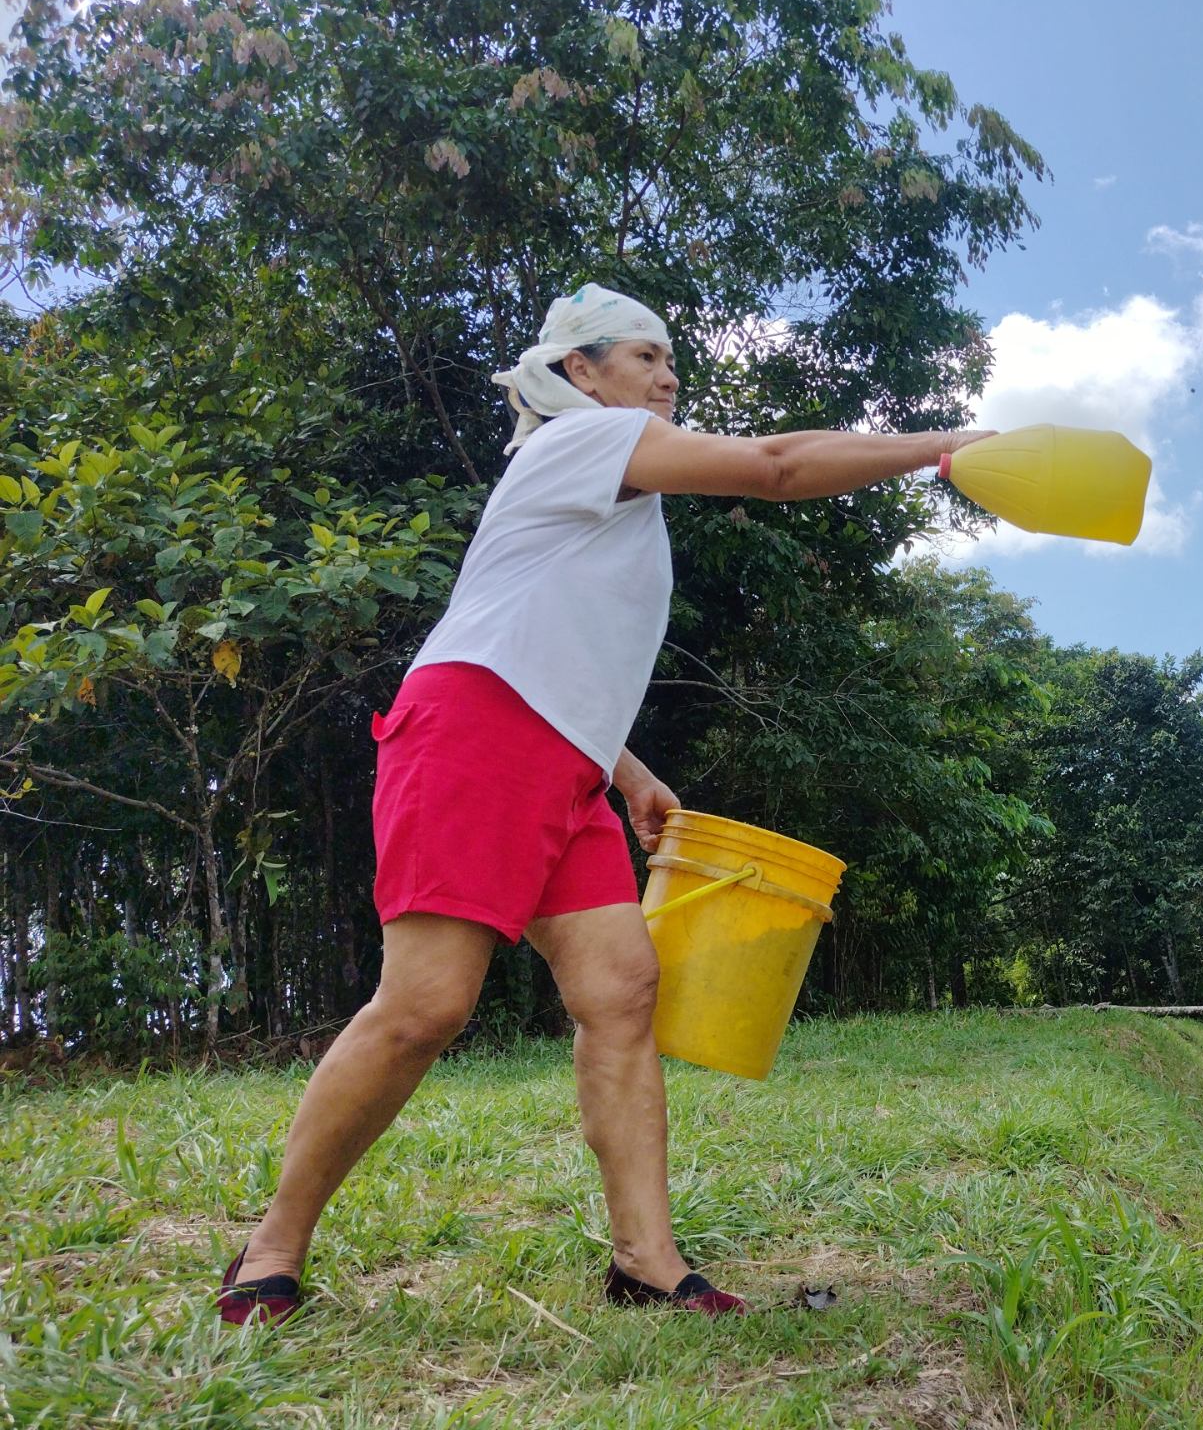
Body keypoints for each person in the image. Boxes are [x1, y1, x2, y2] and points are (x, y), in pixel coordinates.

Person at [215, 283, 992, 1324]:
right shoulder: (586, 442)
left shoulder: (608, 476)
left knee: (622, 990)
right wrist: (949, 449)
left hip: (563, 761)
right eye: (644, 357)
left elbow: (543, 630)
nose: (667, 378)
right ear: (579, 373)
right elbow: (775, 468)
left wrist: (623, 769)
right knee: (427, 1005)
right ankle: (271, 1246)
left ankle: (646, 1260)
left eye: (672, 363)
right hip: (475, 735)